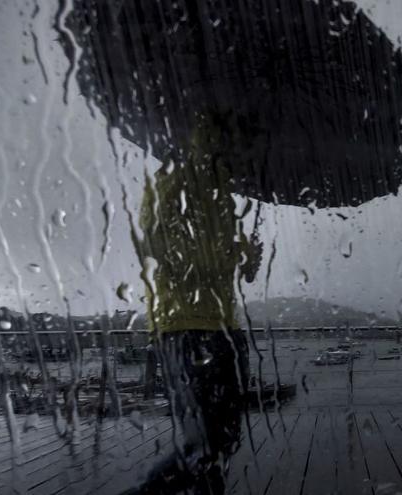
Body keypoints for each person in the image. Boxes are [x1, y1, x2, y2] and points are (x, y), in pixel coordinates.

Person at [134, 116, 262, 494]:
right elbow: (156, 243)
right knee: (202, 444)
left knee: (226, 438)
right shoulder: (171, 180)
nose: (235, 146)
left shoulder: (225, 196)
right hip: (183, 327)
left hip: (224, 327)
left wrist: (248, 257)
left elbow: (236, 267)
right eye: (225, 136)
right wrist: (226, 258)